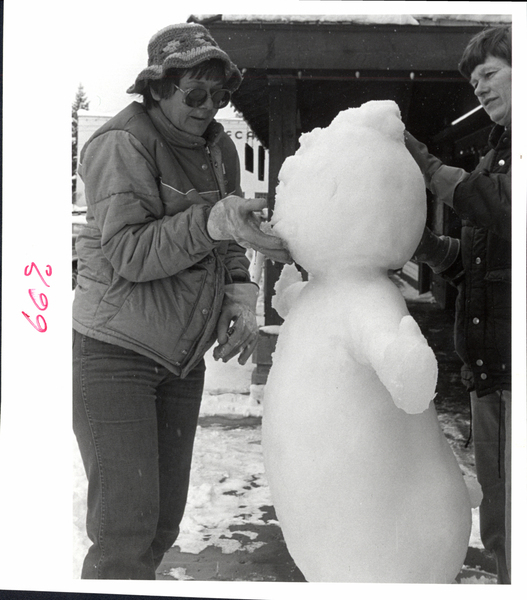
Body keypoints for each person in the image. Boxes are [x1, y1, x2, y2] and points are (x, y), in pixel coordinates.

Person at [72, 22, 290, 580]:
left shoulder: (220, 149)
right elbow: (128, 253)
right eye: (196, 94)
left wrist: (240, 291)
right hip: (115, 355)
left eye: (218, 95)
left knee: (163, 524)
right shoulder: (120, 143)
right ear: (158, 87)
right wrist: (212, 222)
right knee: (125, 531)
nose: (209, 106)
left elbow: (230, 231)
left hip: (181, 359)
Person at [404, 25, 511, 584]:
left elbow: (503, 210)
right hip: (492, 372)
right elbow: (486, 261)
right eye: (475, 83)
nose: (481, 90)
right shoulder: (498, 152)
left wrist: (426, 166)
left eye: (490, 74)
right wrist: (424, 245)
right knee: (502, 515)